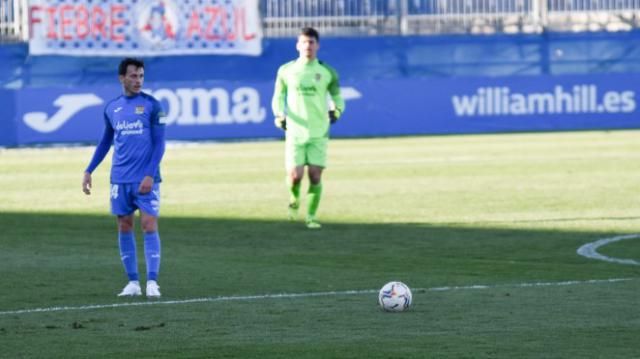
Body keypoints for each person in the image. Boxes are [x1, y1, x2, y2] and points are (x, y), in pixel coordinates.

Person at [82, 58, 167, 298]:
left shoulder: (153, 105)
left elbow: (160, 144)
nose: (138, 80)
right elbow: (105, 142)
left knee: (149, 224)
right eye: (133, 76)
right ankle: (132, 282)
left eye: (141, 76)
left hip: (146, 178)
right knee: (124, 225)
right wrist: (89, 170)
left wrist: (150, 174)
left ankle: (152, 282)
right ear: (122, 78)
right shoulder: (112, 108)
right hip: (119, 178)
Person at [271, 27, 345, 229]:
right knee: (295, 176)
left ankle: (311, 216)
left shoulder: (327, 71)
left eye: (311, 42)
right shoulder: (286, 70)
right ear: (297, 45)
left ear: (317, 45)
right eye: (304, 42)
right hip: (295, 131)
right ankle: (294, 201)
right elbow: (278, 96)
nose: (308, 46)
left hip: (319, 131)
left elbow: (338, 97)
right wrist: (279, 114)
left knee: (314, 175)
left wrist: (337, 111)